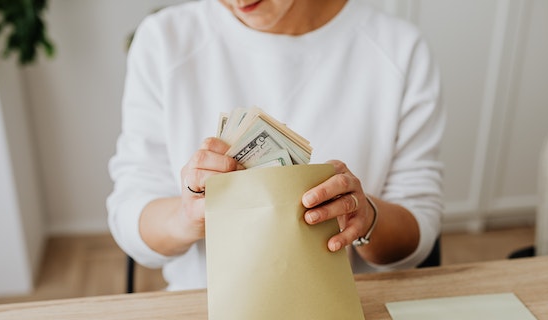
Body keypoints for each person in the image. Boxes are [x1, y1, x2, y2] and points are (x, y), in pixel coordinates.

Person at [107, 0, 445, 291]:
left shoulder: (399, 50)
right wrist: (187, 217)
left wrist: (367, 218)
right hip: (205, 318)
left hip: (355, 317)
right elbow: (130, 215)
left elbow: (419, 233)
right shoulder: (164, 41)